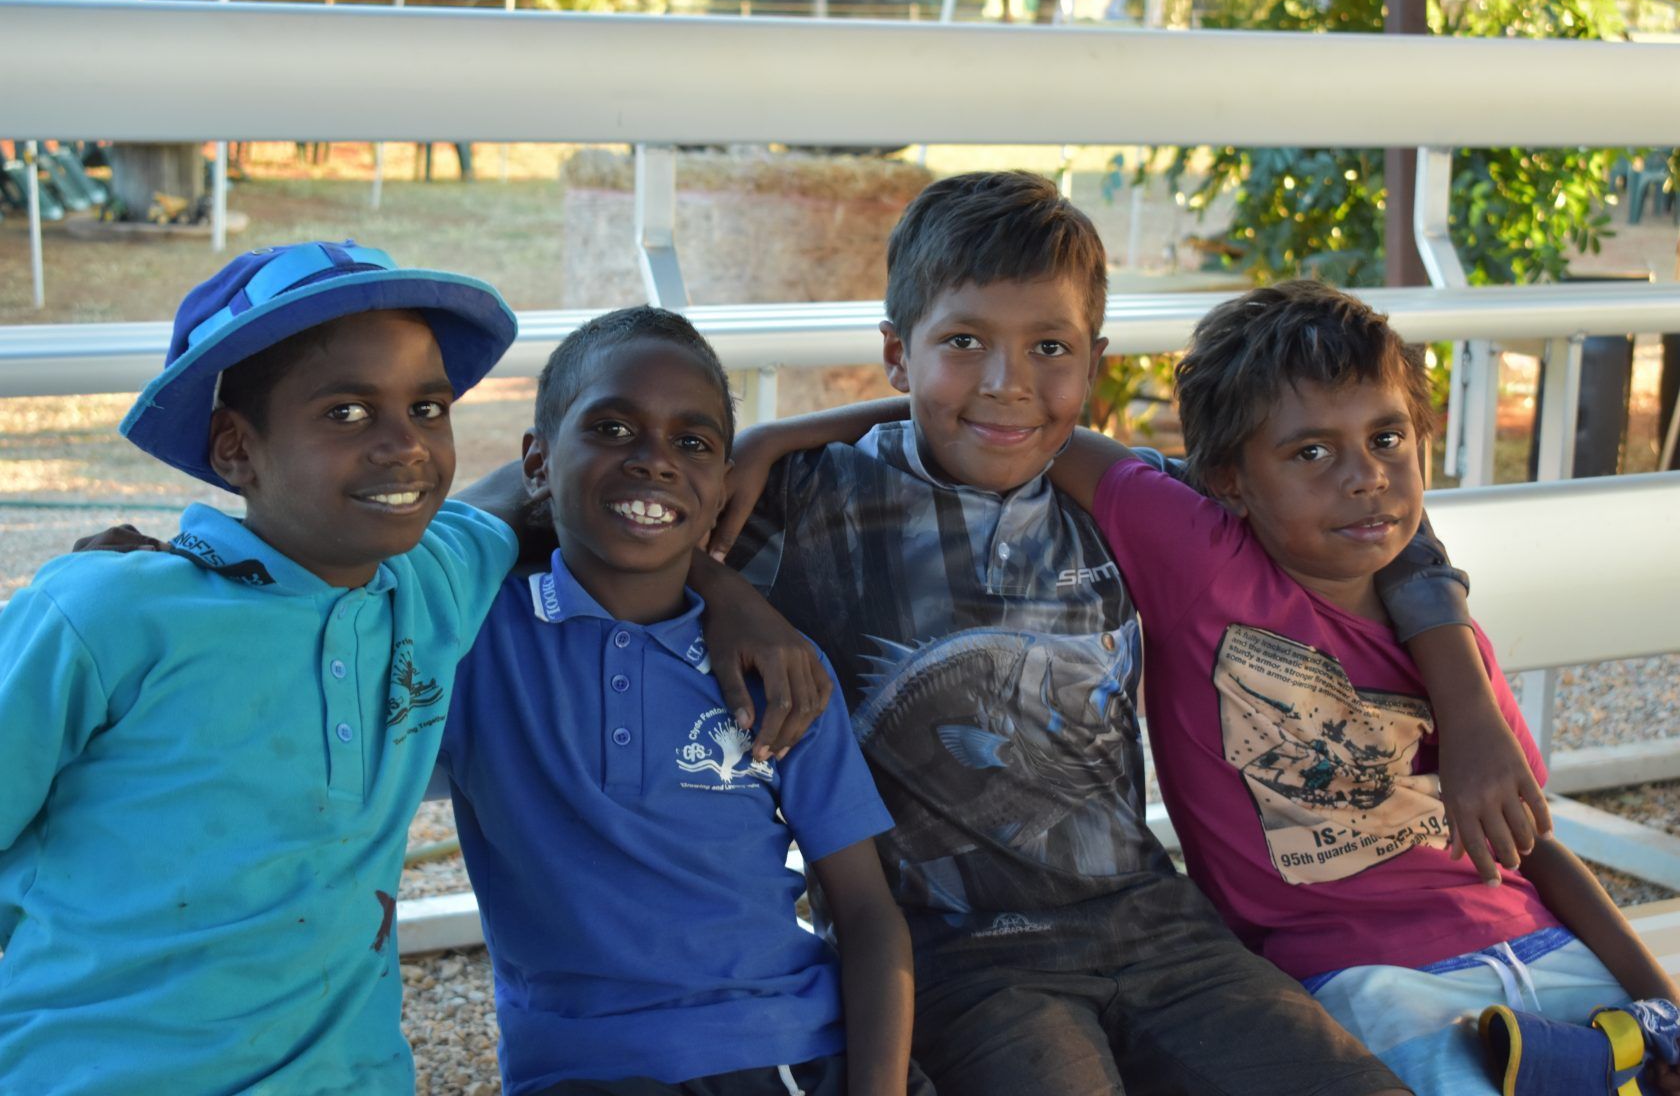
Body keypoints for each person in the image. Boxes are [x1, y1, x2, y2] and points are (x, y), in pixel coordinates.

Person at [702, 170, 1546, 1094]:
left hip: (1156, 924)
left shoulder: (1114, 498)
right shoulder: (817, 502)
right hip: (962, 951)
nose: (1006, 383)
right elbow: (567, 521)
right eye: (964, 343)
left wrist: (1466, 706)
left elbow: (1375, 520)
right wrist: (728, 570)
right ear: (898, 356)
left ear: (1094, 361)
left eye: (1048, 347)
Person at [0, 243, 826, 1094]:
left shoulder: (432, 579)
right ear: (233, 447)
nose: (406, 448)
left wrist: (726, 587)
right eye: (349, 414)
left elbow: (580, 491)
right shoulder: (107, 614)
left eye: (428, 408)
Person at [1044, 279, 1680, 1095]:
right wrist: (830, 430)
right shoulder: (1206, 569)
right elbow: (1033, 425)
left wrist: (1660, 1005)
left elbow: (1535, 849)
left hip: (1550, 958)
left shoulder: (1450, 646)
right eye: (1311, 452)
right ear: (1229, 480)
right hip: (1363, 981)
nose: (1364, 477)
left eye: (1387, 439)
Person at [439, 306, 924, 1096]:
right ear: (536, 462)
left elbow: (867, 913)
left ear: (723, 486)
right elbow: (412, 541)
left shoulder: (782, 672)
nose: (656, 462)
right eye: (613, 428)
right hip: (581, 1069)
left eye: (691, 443)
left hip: (791, 1050)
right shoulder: (472, 640)